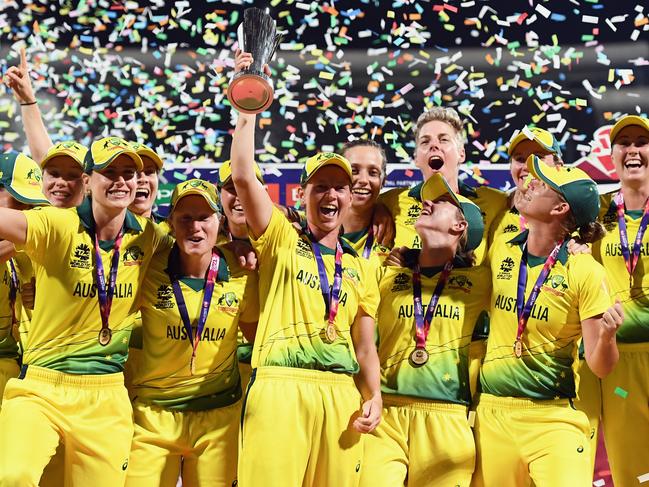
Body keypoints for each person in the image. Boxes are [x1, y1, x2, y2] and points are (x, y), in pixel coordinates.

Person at [230, 49, 382, 487]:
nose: (331, 196)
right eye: (320, 187)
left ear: (352, 198)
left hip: (340, 395)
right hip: (281, 386)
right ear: (301, 194)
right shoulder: (280, 237)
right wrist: (248, 101)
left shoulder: (360, 266)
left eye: (341, 187)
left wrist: (374, 396)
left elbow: (365, 346)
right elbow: (243, 174)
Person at [0, 137, 172, 486]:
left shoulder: (151, 238)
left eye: (129, 173)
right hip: (41, 388)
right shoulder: (58, 225)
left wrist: (242, 247)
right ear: (88, 181)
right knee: (14, 475)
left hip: (106, 395)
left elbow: (205, 243)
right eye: (109, 172)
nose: (121, 181)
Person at [473, 155, 624, 487]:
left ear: (560, 209)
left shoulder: (584, 270)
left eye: (541, 183)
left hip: (553, 419)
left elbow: (600, 367)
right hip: (492, 415)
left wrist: (609, 334)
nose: (528, 183)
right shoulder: (501, 248)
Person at [126, 179, 258, 487]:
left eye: (204, 218)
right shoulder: (147, 266)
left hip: (218, 417)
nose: (195, 227)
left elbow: (256, 338)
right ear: (170, 222)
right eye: (185, 218)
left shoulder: (240, 273)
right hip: (154, 417)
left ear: (219, 223)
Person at [361, 173, 488, 487]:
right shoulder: (385, 272)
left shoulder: (482, 282)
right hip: (384, 415)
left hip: (447, 419)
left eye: (442, 202)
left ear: (460, 226)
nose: (426, 202)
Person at [592, 114, 649, 487]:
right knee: (632, 472)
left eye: (641, 142)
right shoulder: (594, 213)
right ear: (611, 155)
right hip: (619, 364)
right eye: (623, 143)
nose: (632, 150)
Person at [378, 107, 507, 265]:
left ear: (461, 154)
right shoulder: (392, 201)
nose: (434, 145)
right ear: (416, 158)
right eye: (425, 141)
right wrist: (377, 209)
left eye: (443, 139)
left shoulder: (495, 200)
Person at [0, 151, 50, 403]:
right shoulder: (19, 243)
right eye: (19, 203)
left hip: (12, 367)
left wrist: (42, 298)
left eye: (32, 206)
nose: (27, 214)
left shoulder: (23, 253)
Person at [340, 139, 391, 267]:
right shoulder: (310, 229)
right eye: (354, 171)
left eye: (373, 173)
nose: (363, 180)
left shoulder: (397, 221)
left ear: (383, 181)